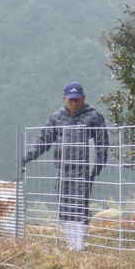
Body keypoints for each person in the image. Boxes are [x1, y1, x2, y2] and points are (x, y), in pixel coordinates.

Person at [24, 82, 108, 251]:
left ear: (84, 98)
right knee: (64, 205)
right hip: (63, 169)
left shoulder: (94, 117)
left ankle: (80, 243)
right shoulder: (57, 117)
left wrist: (96, 168)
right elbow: (44, 140)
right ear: (64, 99)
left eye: (77, 99)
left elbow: (102, 144)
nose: (74, 103)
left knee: (80, 204)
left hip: (83, 170)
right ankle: (71, 242)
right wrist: (27, 157)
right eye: (71, 100)